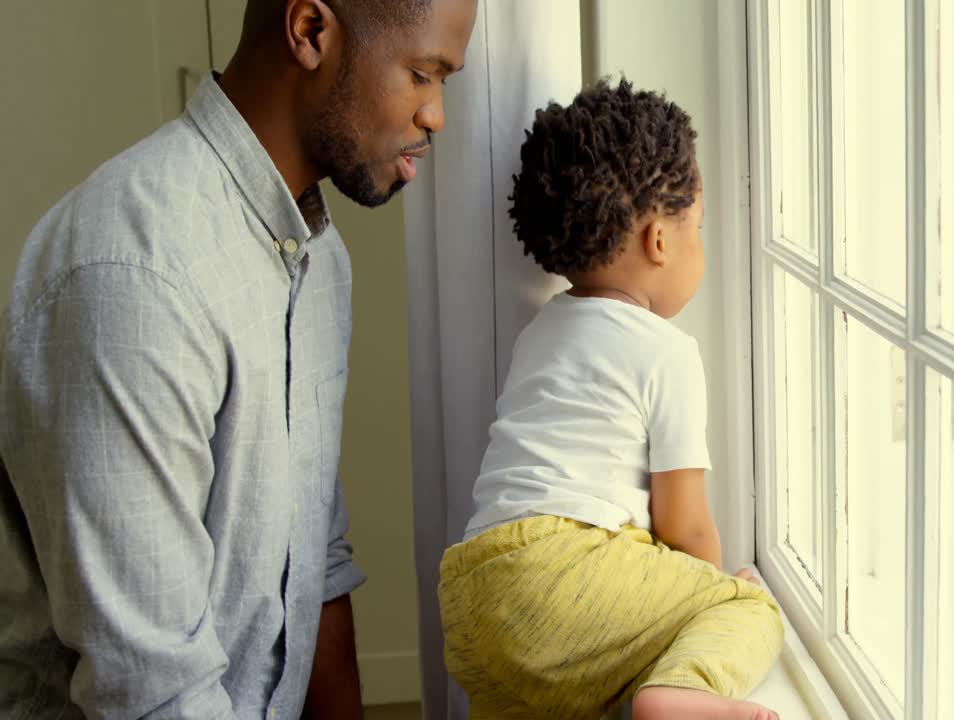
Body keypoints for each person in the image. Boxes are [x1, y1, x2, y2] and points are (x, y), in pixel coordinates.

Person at [0, 1, 476, 717]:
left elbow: (314, 563)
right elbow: (150, 689)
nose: (436, 114)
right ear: (310, 31)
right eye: (421, 75)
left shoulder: (321, 260)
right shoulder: (131, 271)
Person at [438, 79, 785, 720]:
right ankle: (686, 696)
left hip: (470, 596)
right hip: (560, 573)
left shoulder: (542, 330)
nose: (700, 246)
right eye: (698, 229)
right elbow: (683, 523)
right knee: (750, 605)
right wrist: (710, 595)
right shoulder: (667, 351)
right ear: (659, 240)